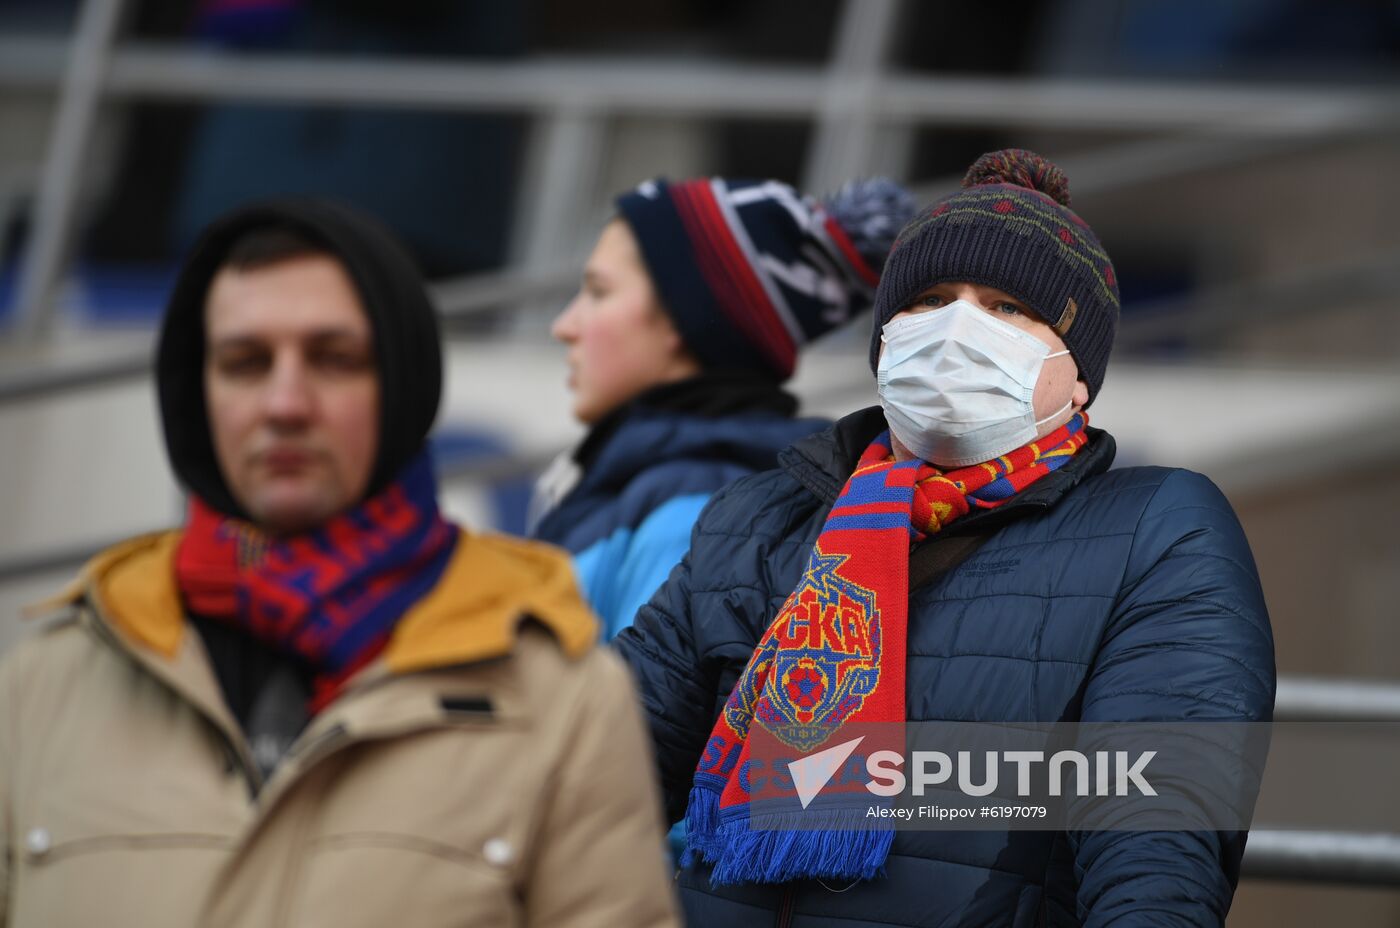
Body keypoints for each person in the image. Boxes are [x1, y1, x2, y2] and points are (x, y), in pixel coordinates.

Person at [615, 150, 1276, 925]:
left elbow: (1158, 851)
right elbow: (597, 769)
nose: (958, 326)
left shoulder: (1156, 531)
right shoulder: (762, 518)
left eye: (1006, 308)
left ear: (1080, 375)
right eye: (930, 297)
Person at [0, 199, 678, 928]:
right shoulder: (45, 683)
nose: (285, 403)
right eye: (244, 363)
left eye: (335, 359)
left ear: (405, 382)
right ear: (196, 395)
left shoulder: (564, 699)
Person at [530, 174, 915, 637]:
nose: (565, 326)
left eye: (598, 292)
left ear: (683, 317)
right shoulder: (650, 480)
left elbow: (637, 708)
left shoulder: (691, 509)